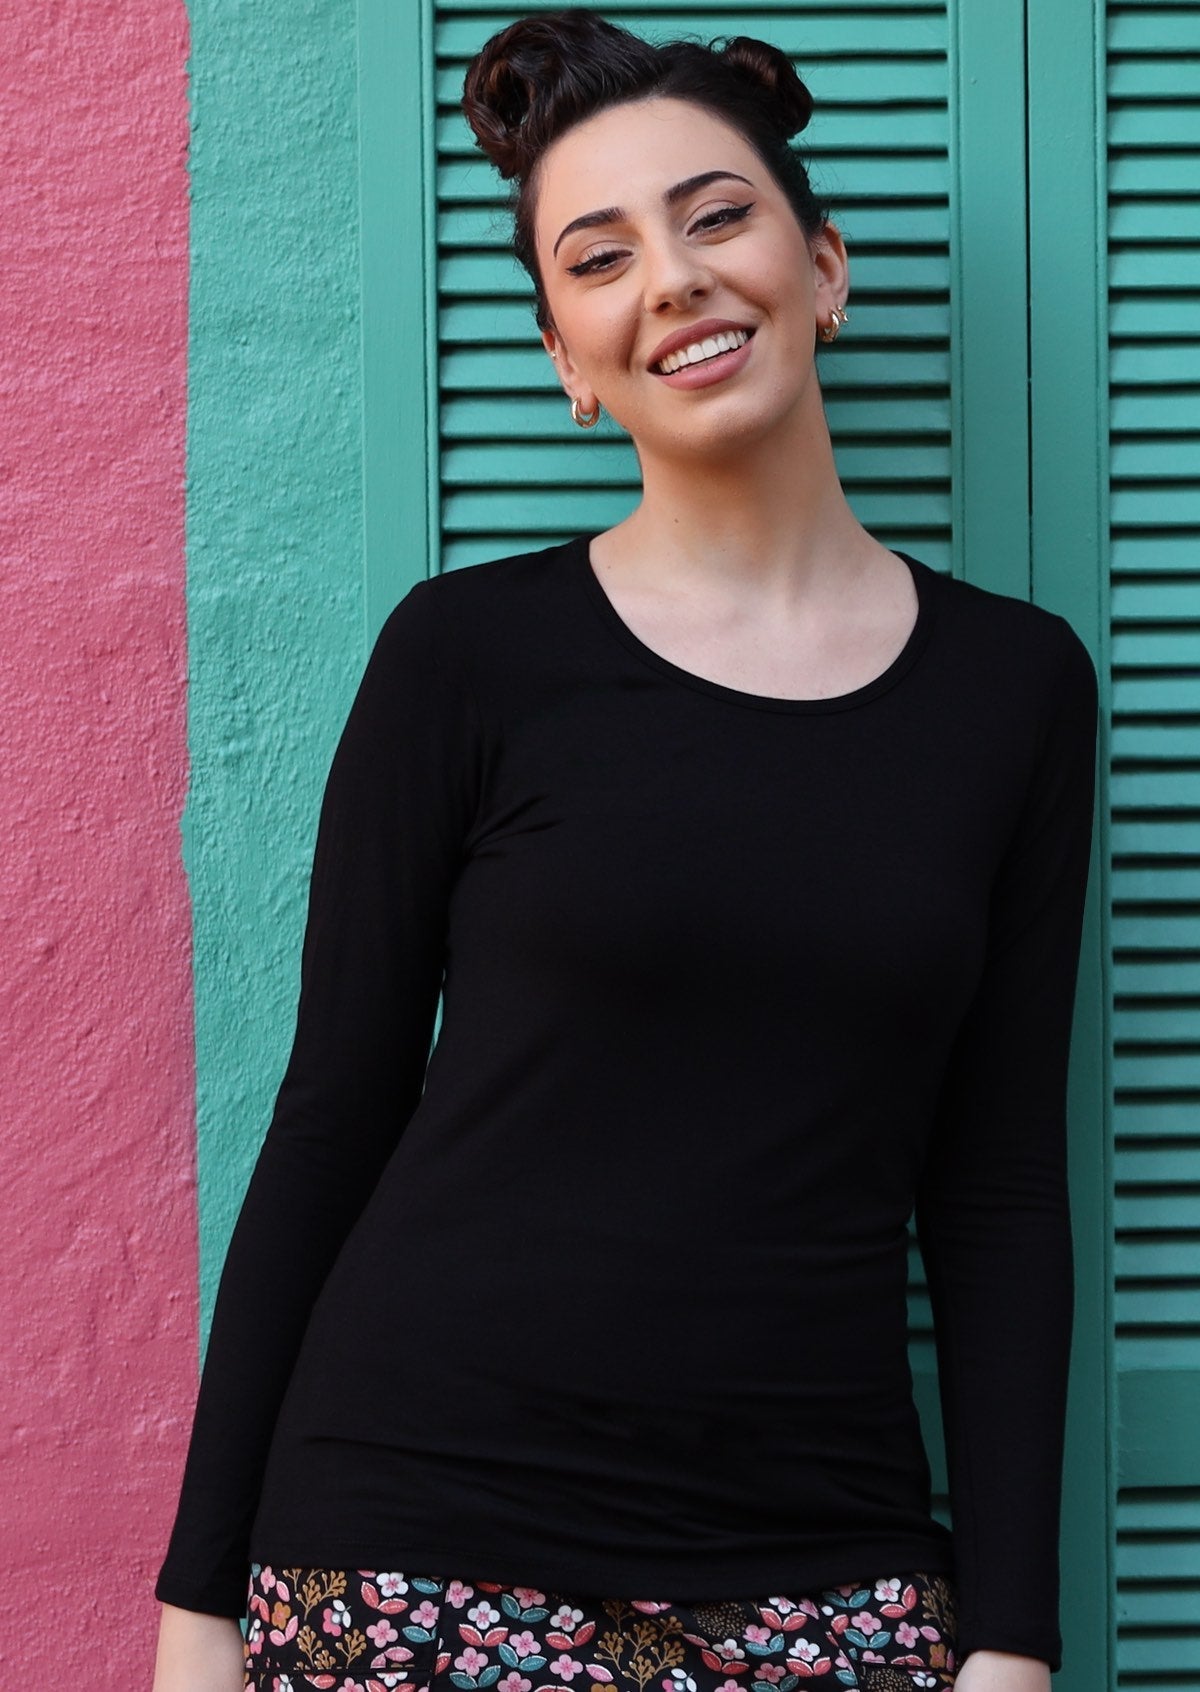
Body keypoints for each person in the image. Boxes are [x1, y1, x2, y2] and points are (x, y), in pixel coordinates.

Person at [151, 11, 1099, 1692]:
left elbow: (1004, 1184)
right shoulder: (467, 656)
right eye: (602, 259)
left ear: (825, 270)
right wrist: (196, 1609)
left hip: (824, 1573)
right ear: (568, 364)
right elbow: (333, 1113)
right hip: (410, 1548)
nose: (674, 277)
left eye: (717, 216)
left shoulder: (1015, 691)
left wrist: (1014, 1640)